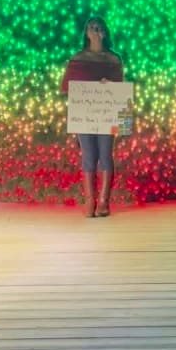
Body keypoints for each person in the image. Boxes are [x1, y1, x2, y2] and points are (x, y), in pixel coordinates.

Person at [60, 16, 124, 217]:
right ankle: (90, 201)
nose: (95, 31)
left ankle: (104, 201)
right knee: (88, 156)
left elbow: (120, 92)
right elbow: (67, 88)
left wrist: (109, 87)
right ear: (86, 33)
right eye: (91, 28)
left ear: (105, 32)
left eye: (99, 27)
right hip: (84, 115)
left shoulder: (114, 59)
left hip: (107, 115)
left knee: (106, 155)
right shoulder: (77, 58)